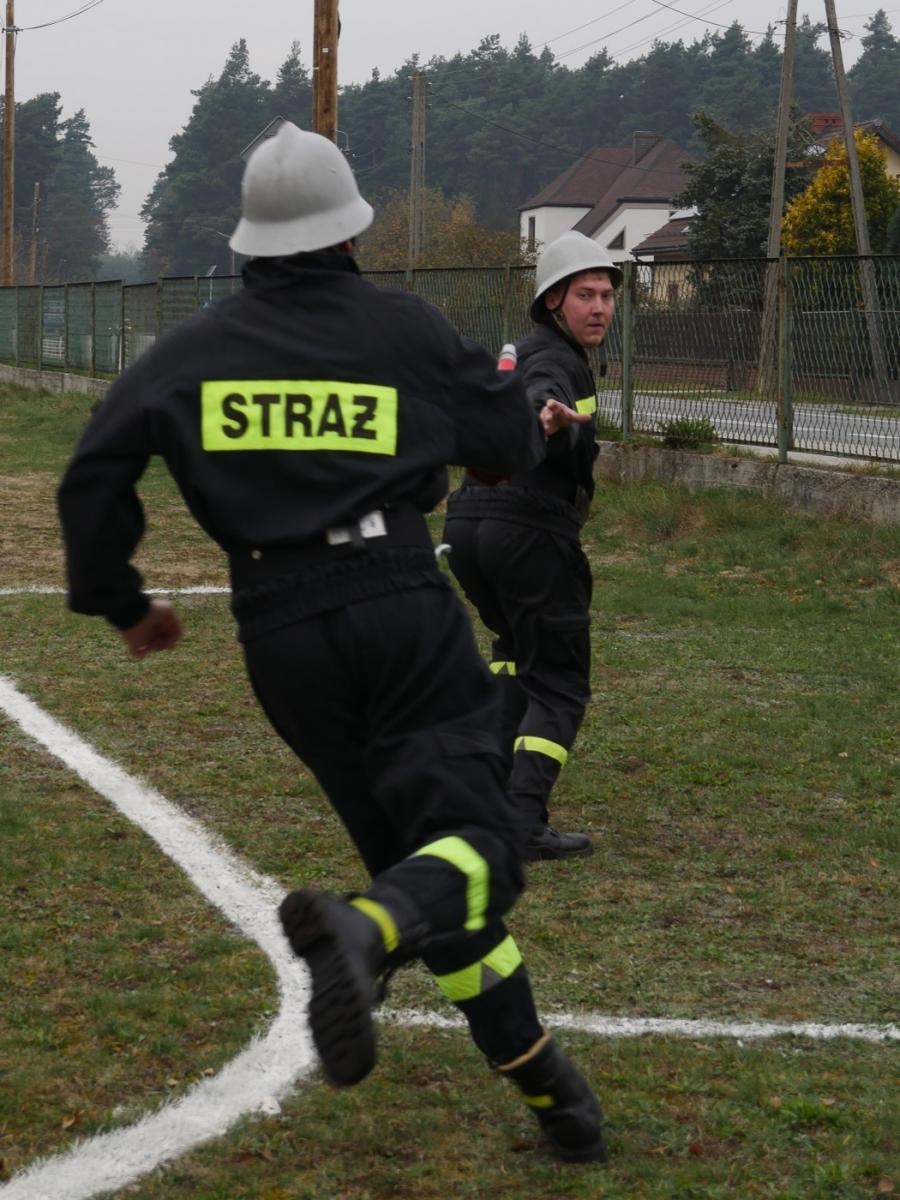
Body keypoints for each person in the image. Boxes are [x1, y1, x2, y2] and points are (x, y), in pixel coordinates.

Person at [56, 123, 607, 1165]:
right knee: (480, 848)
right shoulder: (400, 325)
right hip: (398, 598)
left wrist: (124, 602)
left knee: (424, 869)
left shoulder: (191, 351)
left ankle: (553, 1095)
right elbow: (498, 448)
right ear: (351, 232)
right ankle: (361, 935)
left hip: (281, 632)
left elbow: (92, 474)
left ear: (249, 247)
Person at [442, 231, 622, 862]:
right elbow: (539, 397)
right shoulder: (555, 361)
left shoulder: (531, 349)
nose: (599, 307)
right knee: (561, 682)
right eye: (584, 295)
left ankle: (477, 801)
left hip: (470, 525)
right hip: (528, 529)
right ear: (552, 302)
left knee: (516, 658)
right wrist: (547, 420)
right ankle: (519, 822)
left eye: (606, 295)